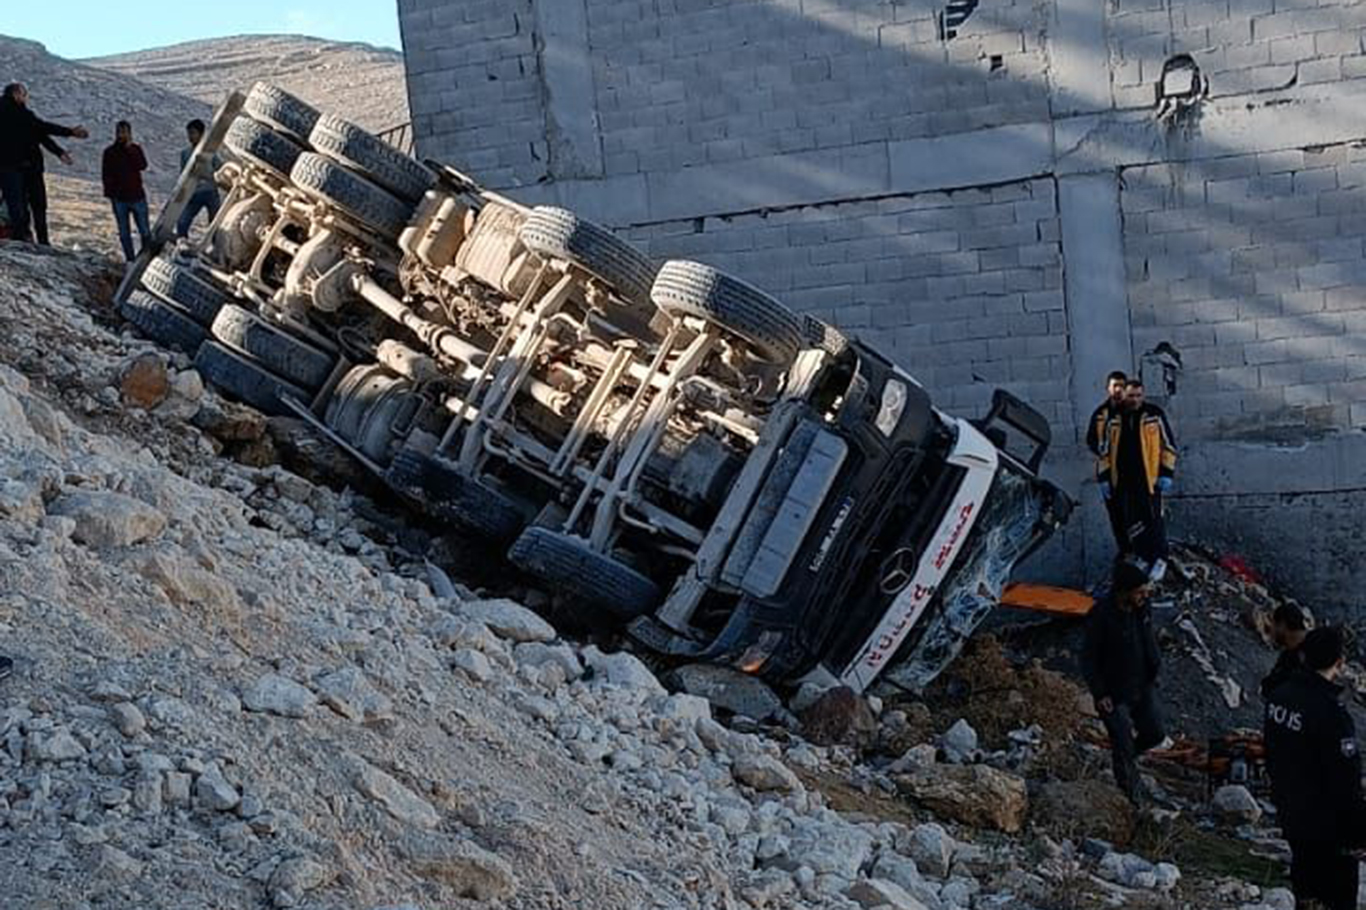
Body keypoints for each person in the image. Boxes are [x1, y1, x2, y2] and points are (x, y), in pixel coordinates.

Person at [1264, 627, 1366, 910]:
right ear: (1340, 662)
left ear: (1304, 655)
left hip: (1292, 813)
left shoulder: (1280, 696)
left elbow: (1272, 753)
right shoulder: (1332, 715)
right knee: (1337, 899)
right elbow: (1346, 783)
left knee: (1306, 893)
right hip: (1328, 828)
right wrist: (1359, 832)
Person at [1081, 558, 1165, 803]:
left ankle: (1127, 759)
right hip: (1112, 693)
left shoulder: (1142, 609)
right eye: (1139, 592)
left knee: (1155, 733)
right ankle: (1131, 794)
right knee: (1122, 741)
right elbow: (1088, 658)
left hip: (1142, 686)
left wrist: (1153, 668)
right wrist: (1099, 693)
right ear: (1124, 591)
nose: (1144, 596)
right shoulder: (1101, 616)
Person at [1096, 378, 1178, 576]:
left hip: (1149, 480)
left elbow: (1169, 446)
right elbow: (1104, 452)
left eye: (1139, 395)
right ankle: (1141, 556)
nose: (1135, 399)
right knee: (1132, 522)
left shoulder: (1153, 415)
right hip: (1124, 481)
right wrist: (1105, 478)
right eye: (1131, 395)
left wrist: (1166, 473)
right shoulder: (1114, 419)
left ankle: (1159, 558)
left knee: (1154, 520)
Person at [0, 82, 89, 244]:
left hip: (19, 168)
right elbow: (42, 128)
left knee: (20, 206)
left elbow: (40, 134)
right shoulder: (18, 113)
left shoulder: (23, 115)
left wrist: (59, 151)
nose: (26, 98)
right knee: (27, 207)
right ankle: (33, 241)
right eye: (23, 94)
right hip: (20, 168)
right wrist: (70, 132)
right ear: (15, 95)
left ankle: (24, 238)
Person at [1087, 370, 1130, 547]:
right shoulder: (1100, 415)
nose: (1118, 390)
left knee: (1137, 517)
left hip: (1134, 474)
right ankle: (1125, 552)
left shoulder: (1133, 411)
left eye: (1122, 386)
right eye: (1115, 386)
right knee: (1117, 518)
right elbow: (1091, 439)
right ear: (1108, 388)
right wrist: (1100, 448)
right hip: (1110, 475)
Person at [102, 120, 151, 262]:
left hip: (137, 196)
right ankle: (130, 260)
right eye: (120, 132)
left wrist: (130, 149)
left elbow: (142, 165)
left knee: (145, 231)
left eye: (125, 132)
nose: (122, 135)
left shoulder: (135, 149)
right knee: (124, 233)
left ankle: (146, 259)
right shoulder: (109, 152)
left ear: (130, 133)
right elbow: (106, 175)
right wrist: (110, 195)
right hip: (119, 198)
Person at [175, 119, 223, 238]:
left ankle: (214, 249)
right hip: (193, 194)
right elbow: (183, 175)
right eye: (189, 133)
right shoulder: (185, 153)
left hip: (210, 192)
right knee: (182, 222)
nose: (190, 137)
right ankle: (182, 245)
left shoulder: (210, 153)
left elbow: (221, 170)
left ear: (201, 134)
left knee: (215, 225)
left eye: (193, 133)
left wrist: (210, 176)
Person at [1260, 602, 1308, 700]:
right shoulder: (1288, 655)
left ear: (1282, 625)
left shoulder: (1303, 657)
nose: (1271, 631)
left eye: (1273, 624)